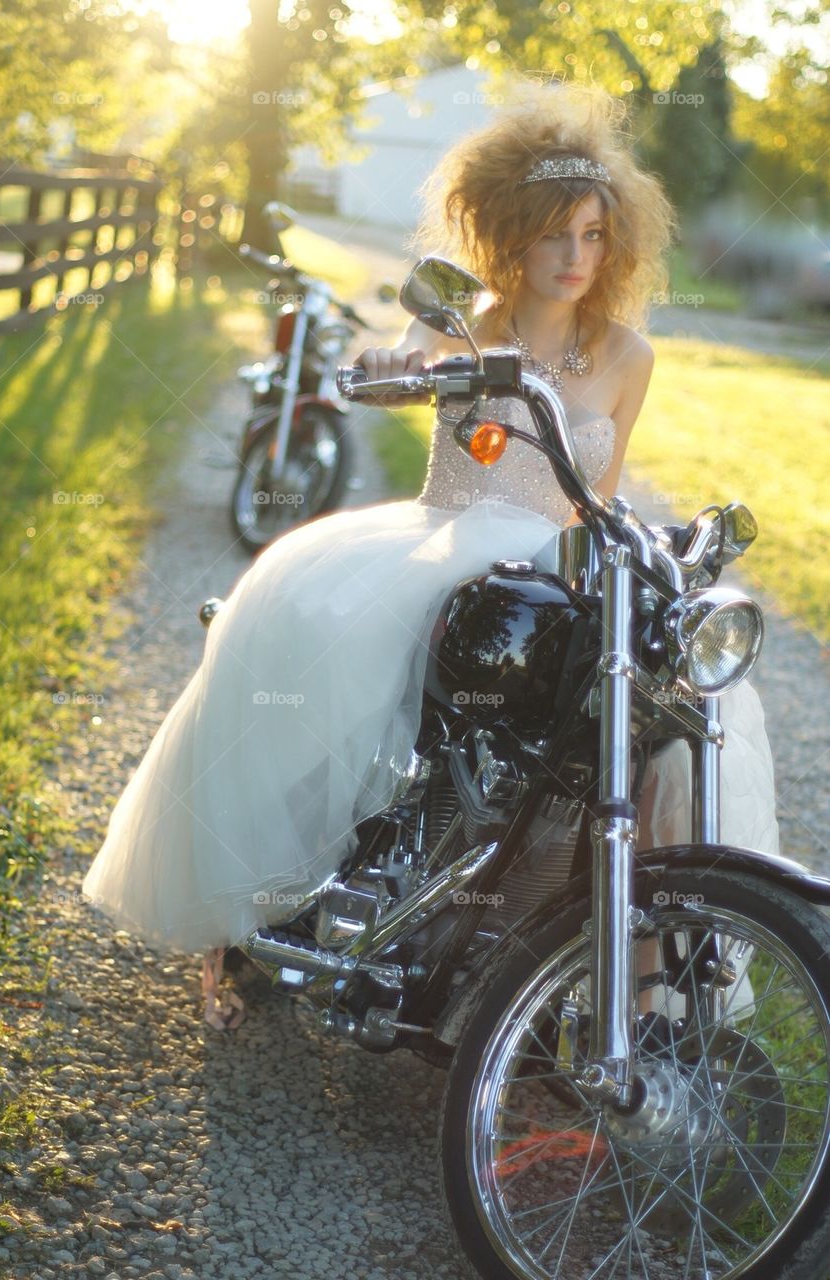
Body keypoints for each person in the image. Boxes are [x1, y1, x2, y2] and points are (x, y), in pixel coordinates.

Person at [81, 80, 779, 1030]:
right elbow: (400, 361)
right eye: (550, 233)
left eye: (590, 235)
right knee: (304, 648)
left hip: (549, 565)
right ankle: (255, 908)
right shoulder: (466, 322)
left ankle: (634, 982)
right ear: (506, 233)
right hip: (442, 546)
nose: (574, 257)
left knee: (667, 711)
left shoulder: (627, 355)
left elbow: (595, 502)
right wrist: (388, 370)